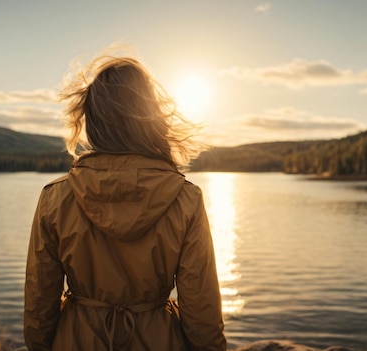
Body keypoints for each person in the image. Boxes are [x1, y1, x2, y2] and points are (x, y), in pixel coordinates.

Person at [24, 50, 227, 351]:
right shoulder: (186, 198)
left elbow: (40, 301)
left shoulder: (56, 198)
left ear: (93, 119)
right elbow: (201, 308)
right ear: (150, 117)